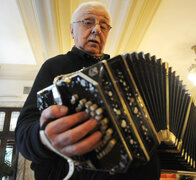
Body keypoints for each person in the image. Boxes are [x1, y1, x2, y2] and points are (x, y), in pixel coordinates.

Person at [15, 2, 160, 180]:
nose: (96, 30)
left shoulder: (124, 72)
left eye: (104, 26)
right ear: (72, 31)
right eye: (87, 22)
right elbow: (23, 131)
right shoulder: (54, 66)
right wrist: (44, 138)